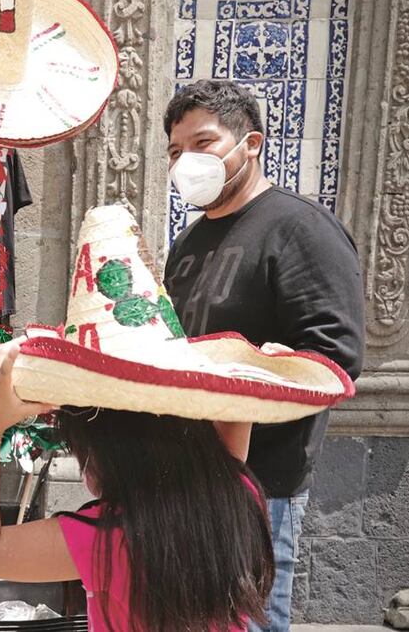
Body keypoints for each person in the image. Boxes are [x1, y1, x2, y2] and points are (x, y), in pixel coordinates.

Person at [162, 79, 365, 630]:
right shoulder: (189, 244)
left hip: (259, 488)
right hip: (186, 479)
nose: (187, 162)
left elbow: (337, 355)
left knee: (247, 620)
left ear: (249, 144)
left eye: (203, 143)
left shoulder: (300, 229)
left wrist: (280, 367)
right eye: (176, 151)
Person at [0, 339, 274, 631]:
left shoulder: (110, 536)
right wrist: (249, 389)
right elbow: (226, 458)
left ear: (113, 457)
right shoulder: (238, 494)